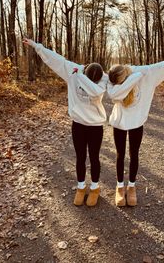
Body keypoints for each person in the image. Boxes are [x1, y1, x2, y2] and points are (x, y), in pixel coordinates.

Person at [107, 47, 164, 207]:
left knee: (134, 154)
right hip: (119, 123)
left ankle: (132, 186)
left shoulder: (146, 73)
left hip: (137, 123)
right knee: (120, 154)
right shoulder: (112, 79)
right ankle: (120, 187)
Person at [23, 38, 108, 207]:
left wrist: (79, 77)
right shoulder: (73, 70)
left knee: (95, 157)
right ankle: (81, 186)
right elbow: (55, 59)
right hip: (78, 124)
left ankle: (95, 187)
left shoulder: (103, 79)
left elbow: (96, 92)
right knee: (80, 157)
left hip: (95, 126)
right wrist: (36, 46)